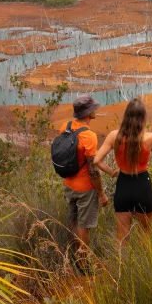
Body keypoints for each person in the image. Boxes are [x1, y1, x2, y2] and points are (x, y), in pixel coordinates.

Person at [94, 98, 152, 244]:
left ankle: (122, 266)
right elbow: (151, 149)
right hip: (142, 184)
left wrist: (112, 172)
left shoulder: (114, 136)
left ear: (126, 115)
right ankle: (143, 265)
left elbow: (97, 160)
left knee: (122, 239)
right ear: (143, 117)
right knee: (145, 236)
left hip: (123, 184)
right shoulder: (150, 137)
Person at [60, 94, 109, 271]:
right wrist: (101, 193)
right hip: (85, 189)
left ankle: (75, 259)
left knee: (74, 222)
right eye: (94, 108)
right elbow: (93, 170)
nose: (96, 110)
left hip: (69, 184)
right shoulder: (89, 136)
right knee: (83, 227)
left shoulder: (65, 127)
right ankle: (83, 266)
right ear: (89, 112)